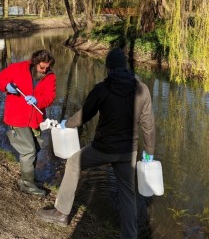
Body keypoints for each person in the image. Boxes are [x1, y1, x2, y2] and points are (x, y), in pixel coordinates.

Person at [37, 47, 155, 238]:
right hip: (128, 151)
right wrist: (149, 151)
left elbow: (83, 116)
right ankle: (130, 236)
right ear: (125, 68)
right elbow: (148, 124)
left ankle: (61, 213)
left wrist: (66, 123)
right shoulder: (142, 90)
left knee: (74, 162)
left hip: (103, 148)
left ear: (108, 69)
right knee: (127, 193)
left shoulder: (102, 89)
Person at [0, 49, 56, 197]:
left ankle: (28, 178)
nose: (44, 70)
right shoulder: (17, 68)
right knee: (28, 151)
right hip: (17, 118)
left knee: (36, 147)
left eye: (47, 67)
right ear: (35, 63)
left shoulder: (50, 76)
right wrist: (6, 87)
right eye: (42, 67)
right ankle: (27, 184)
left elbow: (50, 97)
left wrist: (38, 101)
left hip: (36, 119)